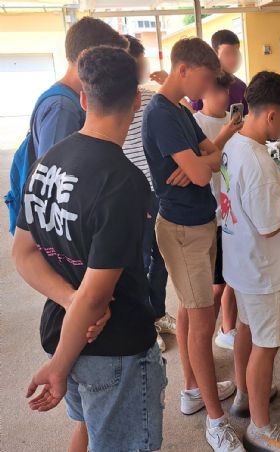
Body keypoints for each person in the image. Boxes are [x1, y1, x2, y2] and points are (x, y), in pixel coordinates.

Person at [12, 46, 166, 452]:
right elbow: (97, 296)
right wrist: (58, 369)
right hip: (113, 351)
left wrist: (68, 304)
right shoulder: (125, 182)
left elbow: (23, 253)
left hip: (61, 330)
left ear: (83, 97)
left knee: (92, 433)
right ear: (136, 100)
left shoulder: (47, 161)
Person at [142, 37, 243, 452]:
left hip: (200, 223)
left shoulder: (181, 109)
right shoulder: (161, 114)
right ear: (183, 69)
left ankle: (191, 390)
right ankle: (215, 423)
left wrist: (201, 161)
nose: (208, 89)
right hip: (182, 229)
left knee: (190, 312)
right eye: (205, 78)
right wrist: (200, 166)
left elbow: (209, 155)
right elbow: (203, 173)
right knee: (202, 324)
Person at [222, 71, 280, 452]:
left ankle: (246, 395)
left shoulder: (236, 144)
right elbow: (270, 225)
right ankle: (260, 428)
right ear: (272, 115)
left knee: (247, 329)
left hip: (240, 264)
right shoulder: (260, 163)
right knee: (267, 346)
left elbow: (246, 190)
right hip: (264, 271)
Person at [123, 34, 175, 354]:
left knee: (162, 257)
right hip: (132, 195)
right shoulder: (115, 100)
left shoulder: (152, 94)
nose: (145, 67)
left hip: (159, 191)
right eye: (140, 61)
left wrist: (169, 85)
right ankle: (143, 323)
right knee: (139, 261)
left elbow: (176, 121)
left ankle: (156, 312)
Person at [193, 71, 244, 350]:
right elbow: (203, 163)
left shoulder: (233, 119)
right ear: (202, 92)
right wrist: (225, 134)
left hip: (232, 212)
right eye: (216, 91)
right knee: (215, 286)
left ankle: (228, 329)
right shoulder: (195, 123)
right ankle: (205, 338)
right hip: (209, 214)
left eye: (225, 91)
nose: (223, 97)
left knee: (232, 278)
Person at [32, 17, 127, 158]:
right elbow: (53, 173)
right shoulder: (62, 108)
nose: (114, 69)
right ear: (85, 56)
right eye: (108, 60)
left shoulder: (72, 99)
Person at [211, 29, 248, 115]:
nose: (233, 59)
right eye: (227, 53)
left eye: (235, 53)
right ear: (214, 54)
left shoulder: (242, 87)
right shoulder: (207, 84)